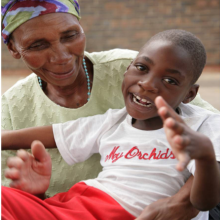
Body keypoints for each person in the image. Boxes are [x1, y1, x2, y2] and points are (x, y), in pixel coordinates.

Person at [1, 0, 219, 219]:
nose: (148, 84)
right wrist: (37, 195)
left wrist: (204, 163)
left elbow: (204, 200)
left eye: (69, 36)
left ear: (191, 94)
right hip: (74, 204)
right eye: (38, 45)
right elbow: (57, 134)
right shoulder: (115, 121)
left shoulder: (201, 126)